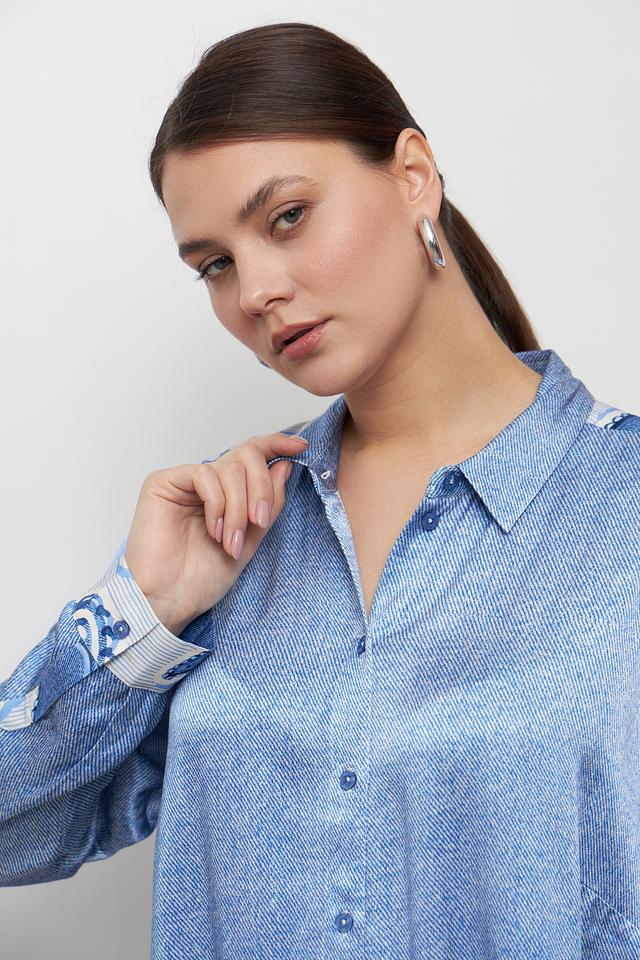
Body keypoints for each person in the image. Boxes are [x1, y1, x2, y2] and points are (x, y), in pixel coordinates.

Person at [2, 19, 639, 959]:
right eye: (215, 265)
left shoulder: (621, 510)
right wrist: (147, 608)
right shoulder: (230, 534)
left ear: (412, 174)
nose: (253, 290)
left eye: (287, 217)